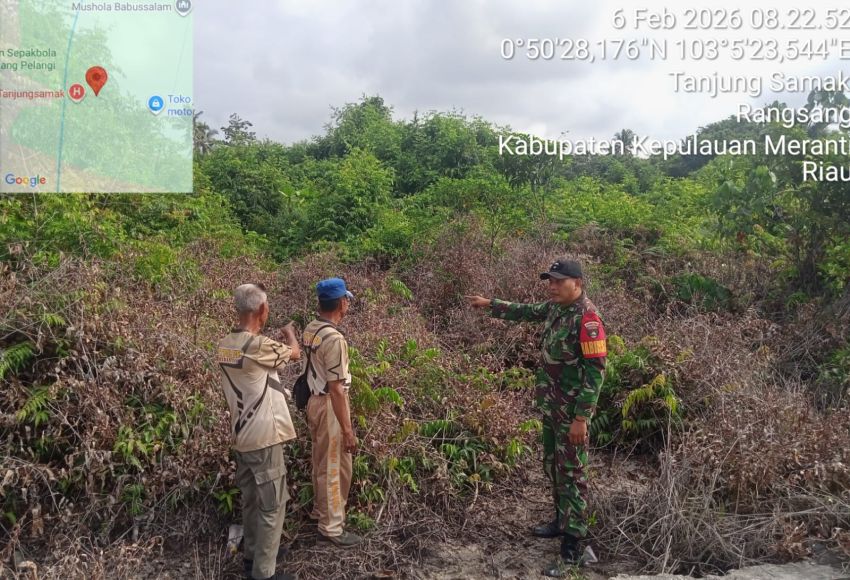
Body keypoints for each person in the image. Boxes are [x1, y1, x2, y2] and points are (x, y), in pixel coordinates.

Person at [466, 259, 607, 576]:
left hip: (572, 415)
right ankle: (561, 522)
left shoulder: (588, 320)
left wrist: (581, 419)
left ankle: (573, 549)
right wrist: (491, 304)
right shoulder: (558, 309)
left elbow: (596, 374)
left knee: (572, 476)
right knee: (553, 468)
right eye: (549, 281)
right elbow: (526, 311)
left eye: (558, 281)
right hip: (552, 409)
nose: (551, 286)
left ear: (578, 283)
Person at [217, 283, 302, 580]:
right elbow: (294, 354)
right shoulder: (259, 346)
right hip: (265, 437)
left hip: (241, 436)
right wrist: (290, 332)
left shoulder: (225, 344)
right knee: (273, 504)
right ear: (262, 310)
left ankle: (252, 556)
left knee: (251, 500)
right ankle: (264, 573)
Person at [302, 277, 362, 547]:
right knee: (336, 466)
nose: (348, 302)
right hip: (330, 405)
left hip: (314, 402)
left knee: (321, 461)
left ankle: (320, 512)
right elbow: (337, 389)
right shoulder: (334, 339)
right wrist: (348, 430)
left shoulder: (311, 329)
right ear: (341, 303)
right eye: (346, 299)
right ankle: (332, 527)